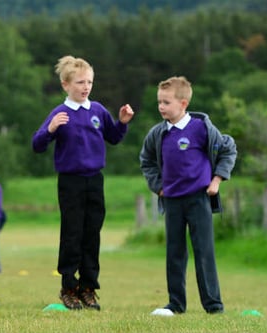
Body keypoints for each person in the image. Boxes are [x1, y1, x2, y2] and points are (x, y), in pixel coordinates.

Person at [31, 55, 134, 310]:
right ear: (66, 85)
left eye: (89, 82)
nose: (85, 87)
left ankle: (89, 288)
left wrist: (121, 123)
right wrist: (50, 129)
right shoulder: (60, 113)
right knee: (72, 234)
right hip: (70, 182)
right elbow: (37, 145)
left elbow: (113, 137)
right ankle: (69, 287)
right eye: (79, 82)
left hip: (95, 181)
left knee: (92, 235)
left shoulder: (97, 110)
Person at [140, 76, 236, 316]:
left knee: (204, 251)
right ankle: (176, 304)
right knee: (174, 253)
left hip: (198, 199)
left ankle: (214, 306)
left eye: (166, 102)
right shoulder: (157, 134)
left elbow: (228, 148)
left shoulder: (201, 127)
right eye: (159, 102)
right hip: (171, 201)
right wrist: (159, 187)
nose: (161, 107)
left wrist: (217, 179)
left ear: (183, 104)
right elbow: (147, 161)